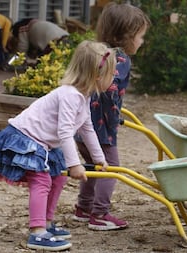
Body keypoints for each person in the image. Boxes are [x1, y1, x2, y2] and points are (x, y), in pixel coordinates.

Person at [0, 40, 116, 251]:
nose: (114, 78)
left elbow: (87, 129)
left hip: (43, 142)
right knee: (41, 180)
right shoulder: (70, 95)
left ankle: (48, 222)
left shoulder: (84, 96)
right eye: (111, 74)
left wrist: (98, 158)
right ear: (97, 76)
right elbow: (65, 132)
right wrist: (75, 164)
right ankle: (37, 232)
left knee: (57, 177)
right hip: (27, 137)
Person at [72, 2, 150, 231]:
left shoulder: (97, 53)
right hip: (101, 127)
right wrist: (114, 115)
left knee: (92, 165)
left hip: (81, 123)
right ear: (126, 36)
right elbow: (110, 89)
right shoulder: (120, 59)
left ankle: (84, 208)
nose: (141, 41)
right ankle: (100, 213)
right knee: (110, 166)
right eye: (140, 36)